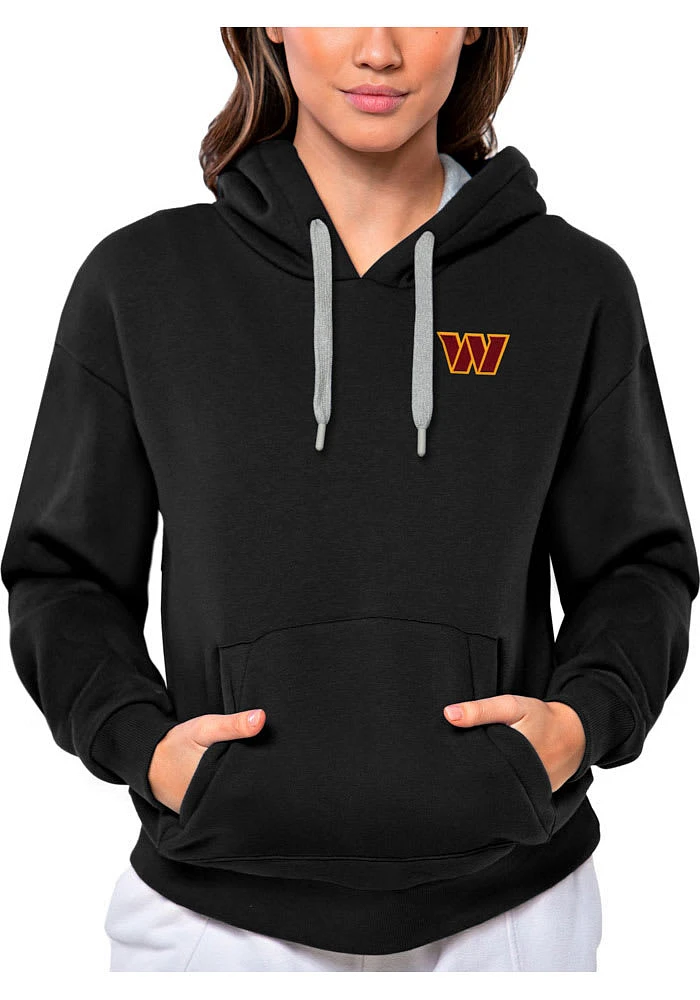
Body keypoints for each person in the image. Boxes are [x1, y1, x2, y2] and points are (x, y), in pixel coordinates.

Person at [1, 26, 697, 973]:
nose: (379, 48)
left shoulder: (573, 286)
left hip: (511, 917)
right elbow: (63, 575)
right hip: (213, 921)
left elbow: (638, 566)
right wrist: (147, 748)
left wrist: (577, 728)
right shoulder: (143, 281)